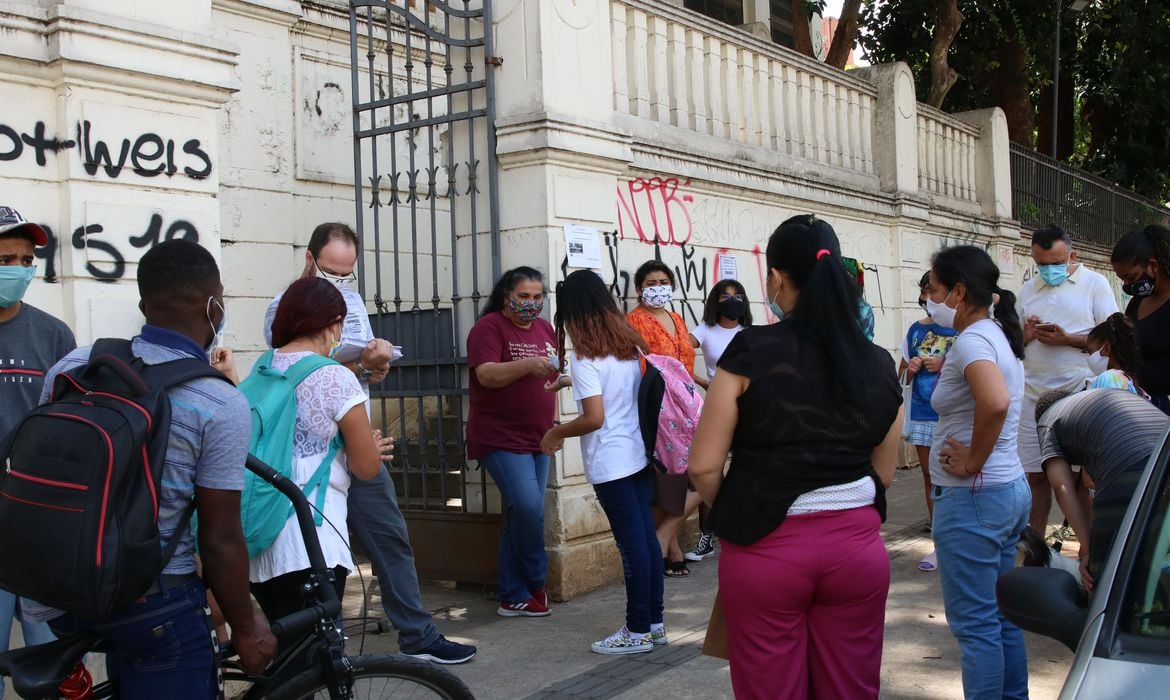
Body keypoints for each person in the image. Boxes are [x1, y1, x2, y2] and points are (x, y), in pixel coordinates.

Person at [36, 239, 276, 697]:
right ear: (214, 306)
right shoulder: (219, 402)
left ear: (145, 304)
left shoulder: (75, 365)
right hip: (151, 601)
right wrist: (247, 629)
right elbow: (220, 538)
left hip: (61, 587)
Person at [689, 215, 903, 699]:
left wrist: (739, 510)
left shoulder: (750, 351)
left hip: (766, 552)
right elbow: (884, 473)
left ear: (777, 279)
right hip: (857, 551)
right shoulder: (878, 363)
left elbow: (703, 465)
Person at [263, 223, 475, 663]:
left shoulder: (353, 305)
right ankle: (321, 655)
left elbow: (353, 371)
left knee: (389, 537)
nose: (339, 283)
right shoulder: (283, 307)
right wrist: (360, 359)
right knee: (313, 561)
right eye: (330, 272)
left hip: (353, 433)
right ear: (309, 258)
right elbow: (299, 355)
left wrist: (373, 367)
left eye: (347, 274)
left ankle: (416, 635)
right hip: (310, 455)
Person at [250, 278, 388, 631]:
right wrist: (370, 447)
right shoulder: (335, 377)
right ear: (334, 324)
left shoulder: (264, 367)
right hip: (311, 536)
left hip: (259, 526)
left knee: (282, 656)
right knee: (308, 662)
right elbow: (366, 467)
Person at [539, 270, 665, 654]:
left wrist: (555, 433)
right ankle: (655, 623)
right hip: (639, 456)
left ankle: (637, 629)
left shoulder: (585, 357)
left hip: (612, 464)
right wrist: (568, 382)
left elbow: (595, 417)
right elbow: (618, 391)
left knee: (632, 547)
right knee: (646, 540)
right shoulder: (628, 345)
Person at [928, 244, 1030, 700]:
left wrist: (972, 461)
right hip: (1003, 492)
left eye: (933, 289)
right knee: (1000, 618)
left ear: (959, 292)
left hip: (975, 497)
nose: (929, 298)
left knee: (976, 626)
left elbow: (995, 402)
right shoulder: (996, 335)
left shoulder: (972, 341)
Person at [0, 207, 73, 691]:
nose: (19, 268)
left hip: (42, 524)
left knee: (53, 662)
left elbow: (73, 423)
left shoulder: (54, 335)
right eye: (7, 257)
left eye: (26, 259)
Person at [467, 266, 564, 617]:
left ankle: (512, 594)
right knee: (528, 508)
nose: (531, 304)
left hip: (539, 435)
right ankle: (537, 581)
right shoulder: (488, 328)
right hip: (500, 436)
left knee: (519, 515)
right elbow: (487, 374)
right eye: (523, 296)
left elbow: (550, 371)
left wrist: (561, 384)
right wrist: (527, 366)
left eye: (537, 297)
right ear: (506, 296)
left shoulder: (544, 328)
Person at [1017, 225, 1117, 536]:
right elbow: (1013, 344)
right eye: (1042, 263)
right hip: (1032, 397)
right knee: (1035, 477)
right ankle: (1034, 549)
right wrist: (1027, 334)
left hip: (1077, 397)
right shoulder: (1028, 289)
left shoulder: (1094, 284)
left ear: (1072, 255)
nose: (1048, 270)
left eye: (1055, 263)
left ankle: (1090, 550)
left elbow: (1112, 338)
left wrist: (1068, 339)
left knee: (1076, 482)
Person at [1033, 388, 1168, 592]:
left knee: (1105, 570)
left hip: (1128, 462)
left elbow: (1062, 486)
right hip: (1163, 451)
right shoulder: (1091, 403)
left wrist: (1088, 547)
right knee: (1156, 549)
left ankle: (1116, 620)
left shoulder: (1047, 420)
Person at [625, 261, 700, 577]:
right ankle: (669, 547)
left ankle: (666, 539)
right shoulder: (634, 321)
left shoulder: (677, 318)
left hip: (688, 406)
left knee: (698, 475)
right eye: (651, 282)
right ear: (640, 288)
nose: (658, 286)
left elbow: (683, 364)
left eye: (664, 281)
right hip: (660, 407)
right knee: (670, 476)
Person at [684, 280, 752, 562]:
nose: (732, 300)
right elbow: (678, 357)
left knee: (747, 468)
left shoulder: (750, 333)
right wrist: (702, 382)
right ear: (716, 300)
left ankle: (744, 528)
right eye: (725, 296)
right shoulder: (705, 331)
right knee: (709, 469)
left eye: (737, 296)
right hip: (717, 410)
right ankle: (707, 537)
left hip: (749, 409)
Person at [900, 271, 958, 573]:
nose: (928, 299)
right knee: (929, 476)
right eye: (925, 292)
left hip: (953, 418)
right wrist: (911, 368)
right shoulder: (914, 331)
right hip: (923, 414)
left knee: (955, 478)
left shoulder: (962, 330)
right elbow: (901, 376)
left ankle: (956, 540)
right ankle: (939, 543)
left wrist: (944, 363)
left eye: (932, 291)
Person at [1111, 224, 1170, 413]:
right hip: (1141, 405)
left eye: (1131, 277)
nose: (1127, 285)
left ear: (1153, 266)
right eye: (1122, 279)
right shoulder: (1137, 303)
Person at [1084, 313, 1147, 396]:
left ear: (1106, 349)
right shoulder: (1131, 380)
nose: (1089, 357)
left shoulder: (1108, 379)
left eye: (1090, 352)